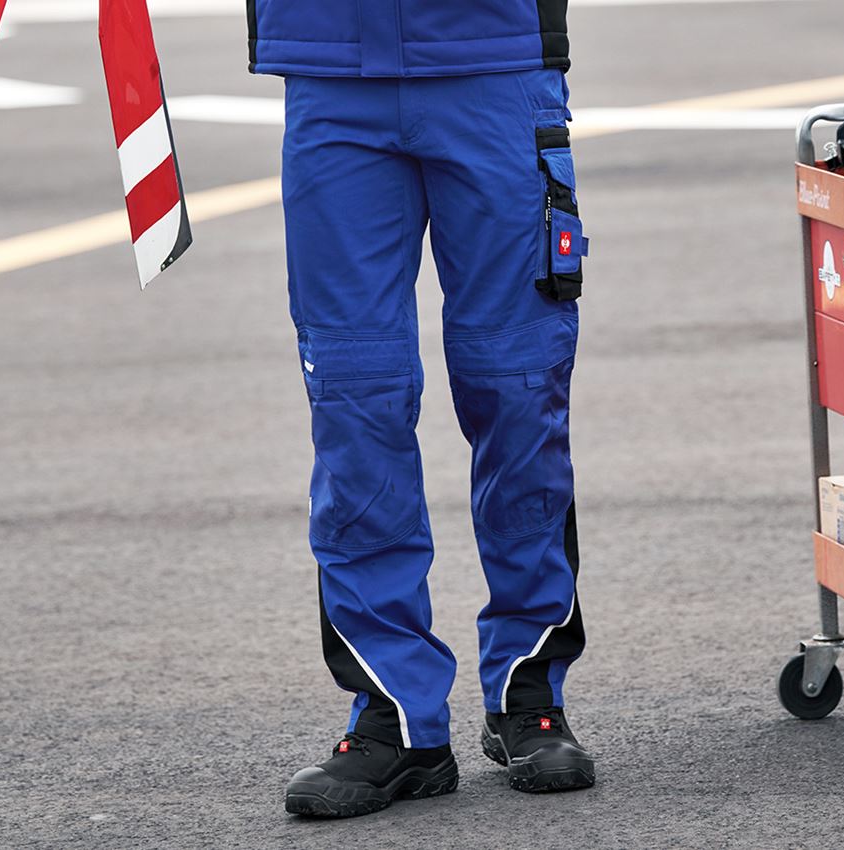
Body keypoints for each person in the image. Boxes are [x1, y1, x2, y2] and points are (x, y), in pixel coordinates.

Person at [247, 0, 594, 818]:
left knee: (517, 388)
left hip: (493, 55)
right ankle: (394, 714)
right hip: (328, 62)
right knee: (354, 400)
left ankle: (528, 688)